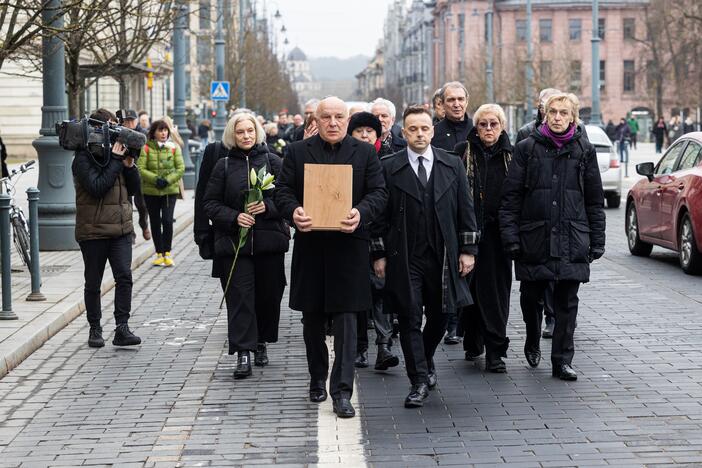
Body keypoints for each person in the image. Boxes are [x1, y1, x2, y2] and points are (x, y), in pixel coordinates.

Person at [275, 96, 387, 419]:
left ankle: (341, 391)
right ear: (317, 120)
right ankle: (316, 376)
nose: (334, 122)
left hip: (350, 248)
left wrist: (360, 213)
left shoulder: (364, 152)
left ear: (346, 120)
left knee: (348, 322)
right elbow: (282, 192)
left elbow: (379, 192)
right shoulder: (297, 152)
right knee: (311, 321)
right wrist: (293, 211)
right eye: (327, 117)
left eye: (340, 117)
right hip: (311, 248)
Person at [372, 105, 477, 408]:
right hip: (404, 256)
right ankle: (418, 379)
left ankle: (424, 356)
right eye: (413, 129)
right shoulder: (389, 167)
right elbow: (379, 216)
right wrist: (378, 254)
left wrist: (468, 250)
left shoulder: (451, 164)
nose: (419, 134)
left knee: (443, 315)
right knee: (408, 316)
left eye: (425, 128)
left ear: (432, 130)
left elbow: (465, 209)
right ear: (403, 133)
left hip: (443, 254)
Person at [500, 92, 605, 381]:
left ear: (573, 117)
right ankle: (532, 338)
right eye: (553, 112)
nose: (558, 118)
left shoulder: (584, 150)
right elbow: (511, 199)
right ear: (545, 115)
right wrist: (511, 237)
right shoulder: (527, 148)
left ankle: (562, 360)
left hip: (573, 236)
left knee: (567, 302)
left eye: (563, 113)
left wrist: (597, 239)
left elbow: (595, 199)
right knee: (531, 295)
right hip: (535, 236)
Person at [203, 113, 289, 378]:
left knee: (268, 296)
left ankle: (261, 341)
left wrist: (268, 207)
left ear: (258, 132)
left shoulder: (274, 162)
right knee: (239, 298)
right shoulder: (224, 166)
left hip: (269, 243)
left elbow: (289, 199)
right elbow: (210, 203)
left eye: (250, 131)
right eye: (240, 132)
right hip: (234, 245)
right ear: (232, 135)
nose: (246, 136)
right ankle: (242, 352)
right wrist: (233, 217)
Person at [72, 108, 142, 348]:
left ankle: (122, 328)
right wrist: (115, 160)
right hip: (93, 230)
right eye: (111, 127)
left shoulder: (118, 155)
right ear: (97, 130)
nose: (116, 133)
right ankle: (95, 328)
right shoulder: (82, 158)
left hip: (121, 229)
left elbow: (132, 190)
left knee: (125, 277)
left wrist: (130, 165)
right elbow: (97, 187)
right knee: (93, 282)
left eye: (117, 127)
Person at [453, 104, 513, 372]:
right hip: (468, 233)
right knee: (471, 291)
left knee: (496, 295)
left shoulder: (512, 155)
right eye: (483, 124)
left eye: (494, 124)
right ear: (475, 128)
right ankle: (473, 341)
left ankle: (495, 352)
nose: (488, 129)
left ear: (502, 127)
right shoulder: (462, 152)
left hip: (499, 237)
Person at [346, 111, 399, 372]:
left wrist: (380, 249)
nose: (365, 135)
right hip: (352, 235)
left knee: (381, 291)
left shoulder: (388, 161)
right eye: (359, 131)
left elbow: (387, 205)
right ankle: (360, 348)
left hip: (381, 236)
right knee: (357, 294)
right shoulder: (346, 159)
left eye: (370, 130)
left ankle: (384, 346)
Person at [138, 119, 185, 267]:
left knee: (167, 220)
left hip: (169, 191)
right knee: (155, 221)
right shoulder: (146, 148)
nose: (163, 133)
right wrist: (155, 179)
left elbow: (180, 168)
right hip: (151, 192)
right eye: (160, 130)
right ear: (154, 133)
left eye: (165, 130)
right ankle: (159, 253)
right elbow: (140, 167)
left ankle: (167, 252)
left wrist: (168, 180)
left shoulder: (173, 147)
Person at [117, 109, 150, 242]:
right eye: (127, 121)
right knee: (127, 205)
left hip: (139, 173)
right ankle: (130, 232)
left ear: (136, 121)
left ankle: (144, 224)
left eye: (132, 120)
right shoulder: (119, 133)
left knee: (142, 205)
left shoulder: (143, 134)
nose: (129, 123)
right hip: (125, 173)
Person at [431, 81, 473, 152]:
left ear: (467, 102)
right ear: (442, 103)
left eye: (460, 99)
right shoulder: (433, 134)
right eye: (451, 100)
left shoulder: (476, 129)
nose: (456, 104)